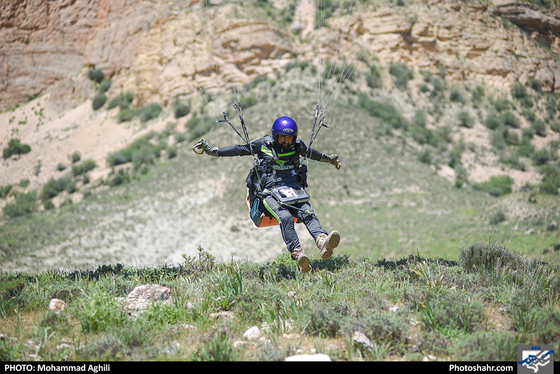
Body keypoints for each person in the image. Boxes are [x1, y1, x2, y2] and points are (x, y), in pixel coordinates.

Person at [197, 116, 341, 273]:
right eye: (283, 137)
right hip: (268, 195)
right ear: (275, 136)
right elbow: (239, 149)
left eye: (289, 138)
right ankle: (298, 254)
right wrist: (214, 151)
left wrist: (329, 159)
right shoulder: (263, 145)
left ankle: (322, 241)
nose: (286, 141)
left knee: (308, 212)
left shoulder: (297, 146)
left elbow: (311, 153)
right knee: (285, 218)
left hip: (294, 191)